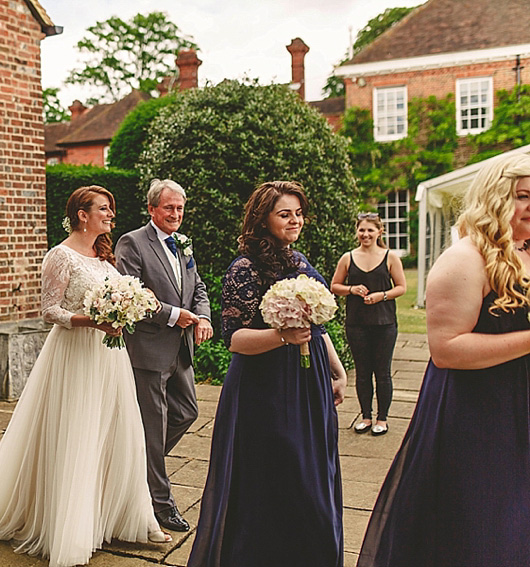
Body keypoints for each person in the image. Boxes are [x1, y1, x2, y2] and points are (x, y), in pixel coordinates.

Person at [0, 186, 171, 567]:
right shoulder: (60, 256)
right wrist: (92, 320)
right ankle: (71, 525)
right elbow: (49, 310)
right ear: (81, 215)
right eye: (103, 209)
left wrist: (129, 310)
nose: (110, 215)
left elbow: (121, 296)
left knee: (118, 431)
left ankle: (134, 518)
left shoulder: (104, 258)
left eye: (111, 208)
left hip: (109, 358)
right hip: (74, 355)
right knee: (77, 433)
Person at [357, 154, 530, 567]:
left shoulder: (524, 252)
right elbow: (447, 348)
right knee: (483, 526)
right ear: (496, 196)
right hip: (480, 415)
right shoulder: (465, 259)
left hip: (520, 407)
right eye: (523, 196)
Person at [188, 181, 347, 567]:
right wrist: (282, 336)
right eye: (284, 214)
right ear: (264, 219)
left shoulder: (300, 260)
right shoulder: (245, 267)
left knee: (313, 475)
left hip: (308, 384)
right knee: (279, 476)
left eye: (298, 213)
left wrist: (336, 369)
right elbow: (236, 338)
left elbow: (316, 326)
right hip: (266, 389)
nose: (295, 220)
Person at [114, 178, 213, 533]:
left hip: (180, 348)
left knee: (187, 412)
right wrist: (174, 314)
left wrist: (202, 316)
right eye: (169, 207)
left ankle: (137, 467)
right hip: (149, 349)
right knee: (153, 430)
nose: (176, 214)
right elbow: (130, 294)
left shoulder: (183, 244)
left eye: (180, 208)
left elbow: (197, 286)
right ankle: (161, 503)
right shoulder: (132, 242)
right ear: (153, 208)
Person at [330, 213, 406, 436]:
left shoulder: (390, 257)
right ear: (357, 232)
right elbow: (335, 285)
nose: (365, 234)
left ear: (379, 232)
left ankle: (382, 419)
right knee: (362, 373)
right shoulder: (348, 258)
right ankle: (365, 416)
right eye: (362, 230)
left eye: (370, 230)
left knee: (382, 373)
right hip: (356, 323)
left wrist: (381, 295)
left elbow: (401, 287)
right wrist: (351, 289)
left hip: (384, 323)